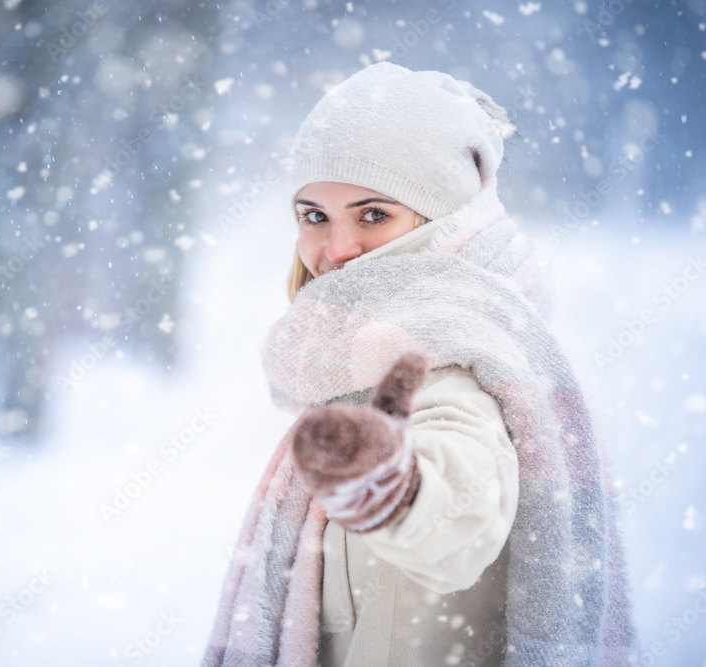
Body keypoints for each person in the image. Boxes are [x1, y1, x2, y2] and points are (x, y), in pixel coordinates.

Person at [202, 62, 637, 667]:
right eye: (314, 215)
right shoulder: (364, 354)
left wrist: (398, 487)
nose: (336, 248)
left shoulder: (444, 358)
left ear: (446, 222)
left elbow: (462, 517)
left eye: (373, 214)